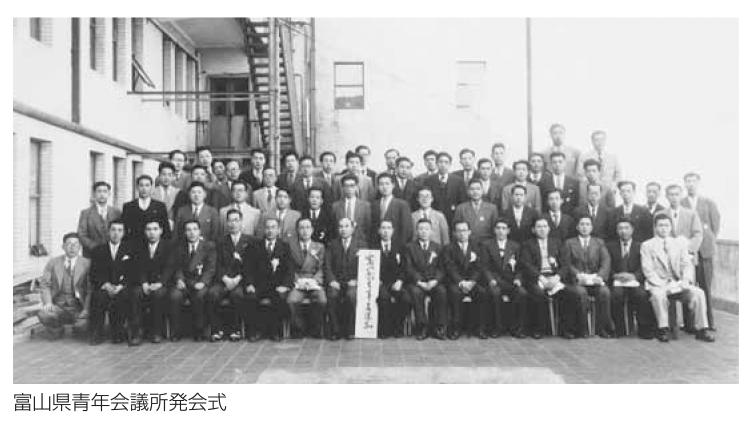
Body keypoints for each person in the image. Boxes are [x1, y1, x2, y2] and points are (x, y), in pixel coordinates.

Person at [641, 214, 714, 343]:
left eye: (667, 225)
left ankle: (702, 329)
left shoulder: (678, 244)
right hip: (658, 283)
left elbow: (686, 264)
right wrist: (662, 284)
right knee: (658, 295)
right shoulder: (647, 245)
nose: (664, 228)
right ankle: (663, 329)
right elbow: (648, 270)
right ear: (655, 227)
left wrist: (685, 280)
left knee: (698, 293)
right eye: (660, 225)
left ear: (671, 227)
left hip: (677, 283)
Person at [561, 216, 615, 339]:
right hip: (577, 281)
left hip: (594, 280)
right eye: (582, 224)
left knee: (604, 292)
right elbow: (566, 263)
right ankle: (582, 329)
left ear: (591, 227)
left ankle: (602, 329)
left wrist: (600, 276)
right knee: (580, 293)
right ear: (577, 227)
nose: (584, 227)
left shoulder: (599, 242)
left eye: (587, 224)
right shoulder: (569, 243)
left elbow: (606, 261)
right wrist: (577, 275)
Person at [208, 209, 254, 343]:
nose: (233, 224)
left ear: (241, 222)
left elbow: (251, 265)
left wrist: (238, 279)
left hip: (240, 280)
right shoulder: (220, 241)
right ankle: (217, 330)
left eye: (236, 220)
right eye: (230, 221)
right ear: (226, 223)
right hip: (223, 280)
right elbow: (216, 263)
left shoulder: (250, 241)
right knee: (212, 294)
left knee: (237, 295)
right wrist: (225, 278)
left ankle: (235, 330)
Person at [681, 172, 720, 330]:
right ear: (684, 184)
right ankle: (689, 324)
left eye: (693, 181)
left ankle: (709, 323)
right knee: (687, 287)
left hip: (704, 252)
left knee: (705, 287)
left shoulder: (708, 203)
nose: (690, 184)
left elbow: (715, 226)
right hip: (688, 252)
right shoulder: (681, 203)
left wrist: (706, 242)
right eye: (688, 181)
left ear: (698, 183)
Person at [168, 220, 217, 342]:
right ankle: (176, 331)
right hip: (185, 282)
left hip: (200, 282)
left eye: (195, 229)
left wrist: (203, 282)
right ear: (185, 232)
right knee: (175, 296)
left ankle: (199, 330)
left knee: (200, 296)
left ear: (200, 231)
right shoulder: (179, 247)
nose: (192, 233)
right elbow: (176, 266)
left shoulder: (208, 246)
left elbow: (211, 268)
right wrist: (179, 279)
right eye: (188, 230)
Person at [88, 219, 135, 345]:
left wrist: (121, 285)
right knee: (98, 297)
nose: (116, 233)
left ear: (123, 233)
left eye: (119, 230)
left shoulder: (130, 249)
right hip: (105, 286)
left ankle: (118, 332)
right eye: (113, 230)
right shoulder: (98, 250)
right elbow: (94, 273)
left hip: (122, 287)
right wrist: (105, 284)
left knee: (125, 296)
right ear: (108, 232)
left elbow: (133, 272)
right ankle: (96, 333)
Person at [36, 233, 91, 340]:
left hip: (78, 307)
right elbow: (45, 284)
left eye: (75, 244)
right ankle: (57, 328)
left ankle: (77, 328)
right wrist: (48, 302)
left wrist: (86, 309)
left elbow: (90, 289)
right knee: (44, 314)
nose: (72, 247)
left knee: (82, 327)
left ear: (80, 247)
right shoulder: (53, 262)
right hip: (58, 306)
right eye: (69, 244)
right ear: (63, 246)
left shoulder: (87, 264)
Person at [519, 218, 567, 339]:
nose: (542, 229)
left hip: (554, 277)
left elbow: (565, 264)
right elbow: (526, 264)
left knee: (568, 293)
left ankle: (565, 329)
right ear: (533, 230)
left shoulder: (557, 243)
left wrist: (557, 277)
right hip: (536, 277)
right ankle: (539, 329)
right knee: (538, 294)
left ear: (549, 229)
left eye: (545, 226)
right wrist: (541, 278)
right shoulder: (527, 244)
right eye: (539, 227)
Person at [606, 217, 654, 339]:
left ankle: (644, 329)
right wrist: (615, 275)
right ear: (616, 230)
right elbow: (607, 265)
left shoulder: (641, 246)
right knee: (616, 294)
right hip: (617, 280)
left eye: (626, 228)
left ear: (632, 230)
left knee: (642, 294)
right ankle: (619, 328)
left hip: (635, 280)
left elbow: (645, 266)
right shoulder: (610, 246)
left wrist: (634, 276)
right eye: (620, 228)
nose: (623, 231)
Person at [480, 218, 529, 338]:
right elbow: (485, 267)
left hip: (511, 281)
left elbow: (520, 267)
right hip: (495, 280)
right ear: (494, 230)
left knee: (522, 293)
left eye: (503, 228)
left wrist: (518, 279)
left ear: (508, 231)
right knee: (494, 293)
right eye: (498, 228)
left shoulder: (515, 246)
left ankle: (517, 328)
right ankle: (497, 328)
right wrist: (491, 279)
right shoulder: (487, 245)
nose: (501, 231)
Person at [444, 221, 490, 339]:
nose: (462, 233)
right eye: (459, 231)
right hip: (456, 282)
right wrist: (461, 282)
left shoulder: (478, 247)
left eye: (464, 230)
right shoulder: (448, 248)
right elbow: (450, 267)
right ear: (454, 233)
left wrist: (472, 281)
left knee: (482, 292)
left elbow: (480, 267)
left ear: (469, 232)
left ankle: (480, 328)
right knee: (454, 293)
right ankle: (456, 328)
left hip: (473, 281)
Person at [324, 217, 368, 340]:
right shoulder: (332, 244)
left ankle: (350, 330)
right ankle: (335, 330)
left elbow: (365, 266)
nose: (343, 229)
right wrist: (332, 280)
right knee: (332, 295)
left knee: (351, 296)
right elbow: (327, 265)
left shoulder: (361, 244)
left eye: (346, 226)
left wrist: (358, 280)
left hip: (353, 282)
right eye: (341, 226)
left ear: (352, 229)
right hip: (336, 282)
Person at [405, 218, 448, 340]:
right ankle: (422, 327)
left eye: (426, 229)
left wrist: (435, 281)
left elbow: (442, 268)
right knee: (416, 293)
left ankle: (439, 327)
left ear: (431, 231)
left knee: (441, 291)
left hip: (433, 281)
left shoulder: (438, 247)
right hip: (417, 282)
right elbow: (409, 268)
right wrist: (420, 282)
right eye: (421, 229)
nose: (424, 231)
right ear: (417, 231)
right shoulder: (409, 247)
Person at [129, 219, 170, 345]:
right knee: (136, 293)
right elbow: (138, 267)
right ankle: (137, 332)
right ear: (145, 232)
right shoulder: (139, 247)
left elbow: (170, 267)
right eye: (149, 229)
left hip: (162, 283)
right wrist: (144, 283)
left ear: (161, 231)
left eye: (155, 229)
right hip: (145, 283)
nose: (152, 233)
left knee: (158, 294)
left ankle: (156, 331)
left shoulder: (168, 246)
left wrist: (160, 283)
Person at [286, 217, 327, 339]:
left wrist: (315, 280)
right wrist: (297, 281)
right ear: (297, 230)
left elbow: (321, 267)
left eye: (308, 227)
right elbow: (289, 267)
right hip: (298, 282)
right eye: (302, 228)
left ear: (312, 230)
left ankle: (315, 328)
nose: (305, 231)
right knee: (292, 300)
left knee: (322, 300)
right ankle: (299, 328)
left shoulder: (319, 247)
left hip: (314, 281)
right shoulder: (291, 247)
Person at [373, 219, 411, 338]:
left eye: (388, 228)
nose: (386, 231)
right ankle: (385, 329)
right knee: (384, 298)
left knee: (406, 299)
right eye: (383, 228)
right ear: (379, 231)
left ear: (393, 231)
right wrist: (375, 279)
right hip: (380, 282)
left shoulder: (400, 246)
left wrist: (400, 280)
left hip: (396, 282)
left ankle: (398, 327)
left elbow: (405, 267)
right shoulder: (373, 246)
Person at [77, 181, 121, 258]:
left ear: (109, 194)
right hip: (92, 254)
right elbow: (81, 235)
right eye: (99, 191)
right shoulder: (86, 213)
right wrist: (96, 248)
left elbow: (121, 232)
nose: (102, 194)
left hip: (113, 254)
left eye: (105, 191)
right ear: (94, 194)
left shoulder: (117, 212)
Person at [121, 175, 171, 241]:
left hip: (154, 244)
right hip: (134, 243)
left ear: (152, 187)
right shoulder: (128, 207)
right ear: (137, 187)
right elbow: (124, 230)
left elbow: (166, 230)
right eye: (141, 185)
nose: (144, 189)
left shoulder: (160, 206)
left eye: (147, 185)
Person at [371, 173, 413, 245]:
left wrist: (401, 246)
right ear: (377, 186)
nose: (384, 187)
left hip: (397, 245)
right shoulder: (374, 205)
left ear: (393, 185)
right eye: (381, 184)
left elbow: (406, 229)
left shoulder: (402, 205)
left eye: (387, 184)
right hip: (378, 245)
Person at [453, 179, 499, 244]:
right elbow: (456, 230)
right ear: (468, 191)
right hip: (467, 244)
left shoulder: (492, 208)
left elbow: (495, 230)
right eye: (472, 189)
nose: (475, 192)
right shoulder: (461, 208)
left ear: (482, 191)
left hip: (487, 244)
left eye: (478, 189)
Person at [426, 151, 465, 223]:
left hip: (453, 217)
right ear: (436, 163)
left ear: (450, 164)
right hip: (434, 218)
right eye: (440, 162)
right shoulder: (429, 180)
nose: (443, 165)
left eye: (446, 162)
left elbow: (462, 201)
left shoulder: (458, 181)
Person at [332, 174, 372, 243]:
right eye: (346, 186)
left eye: (352, 186)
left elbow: (368, 228)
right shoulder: (335, 206)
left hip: (360, 242)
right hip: (341, 243)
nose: (349, 189)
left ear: (356, 187)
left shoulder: (365, 206)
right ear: (342, 188)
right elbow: (334, 227)